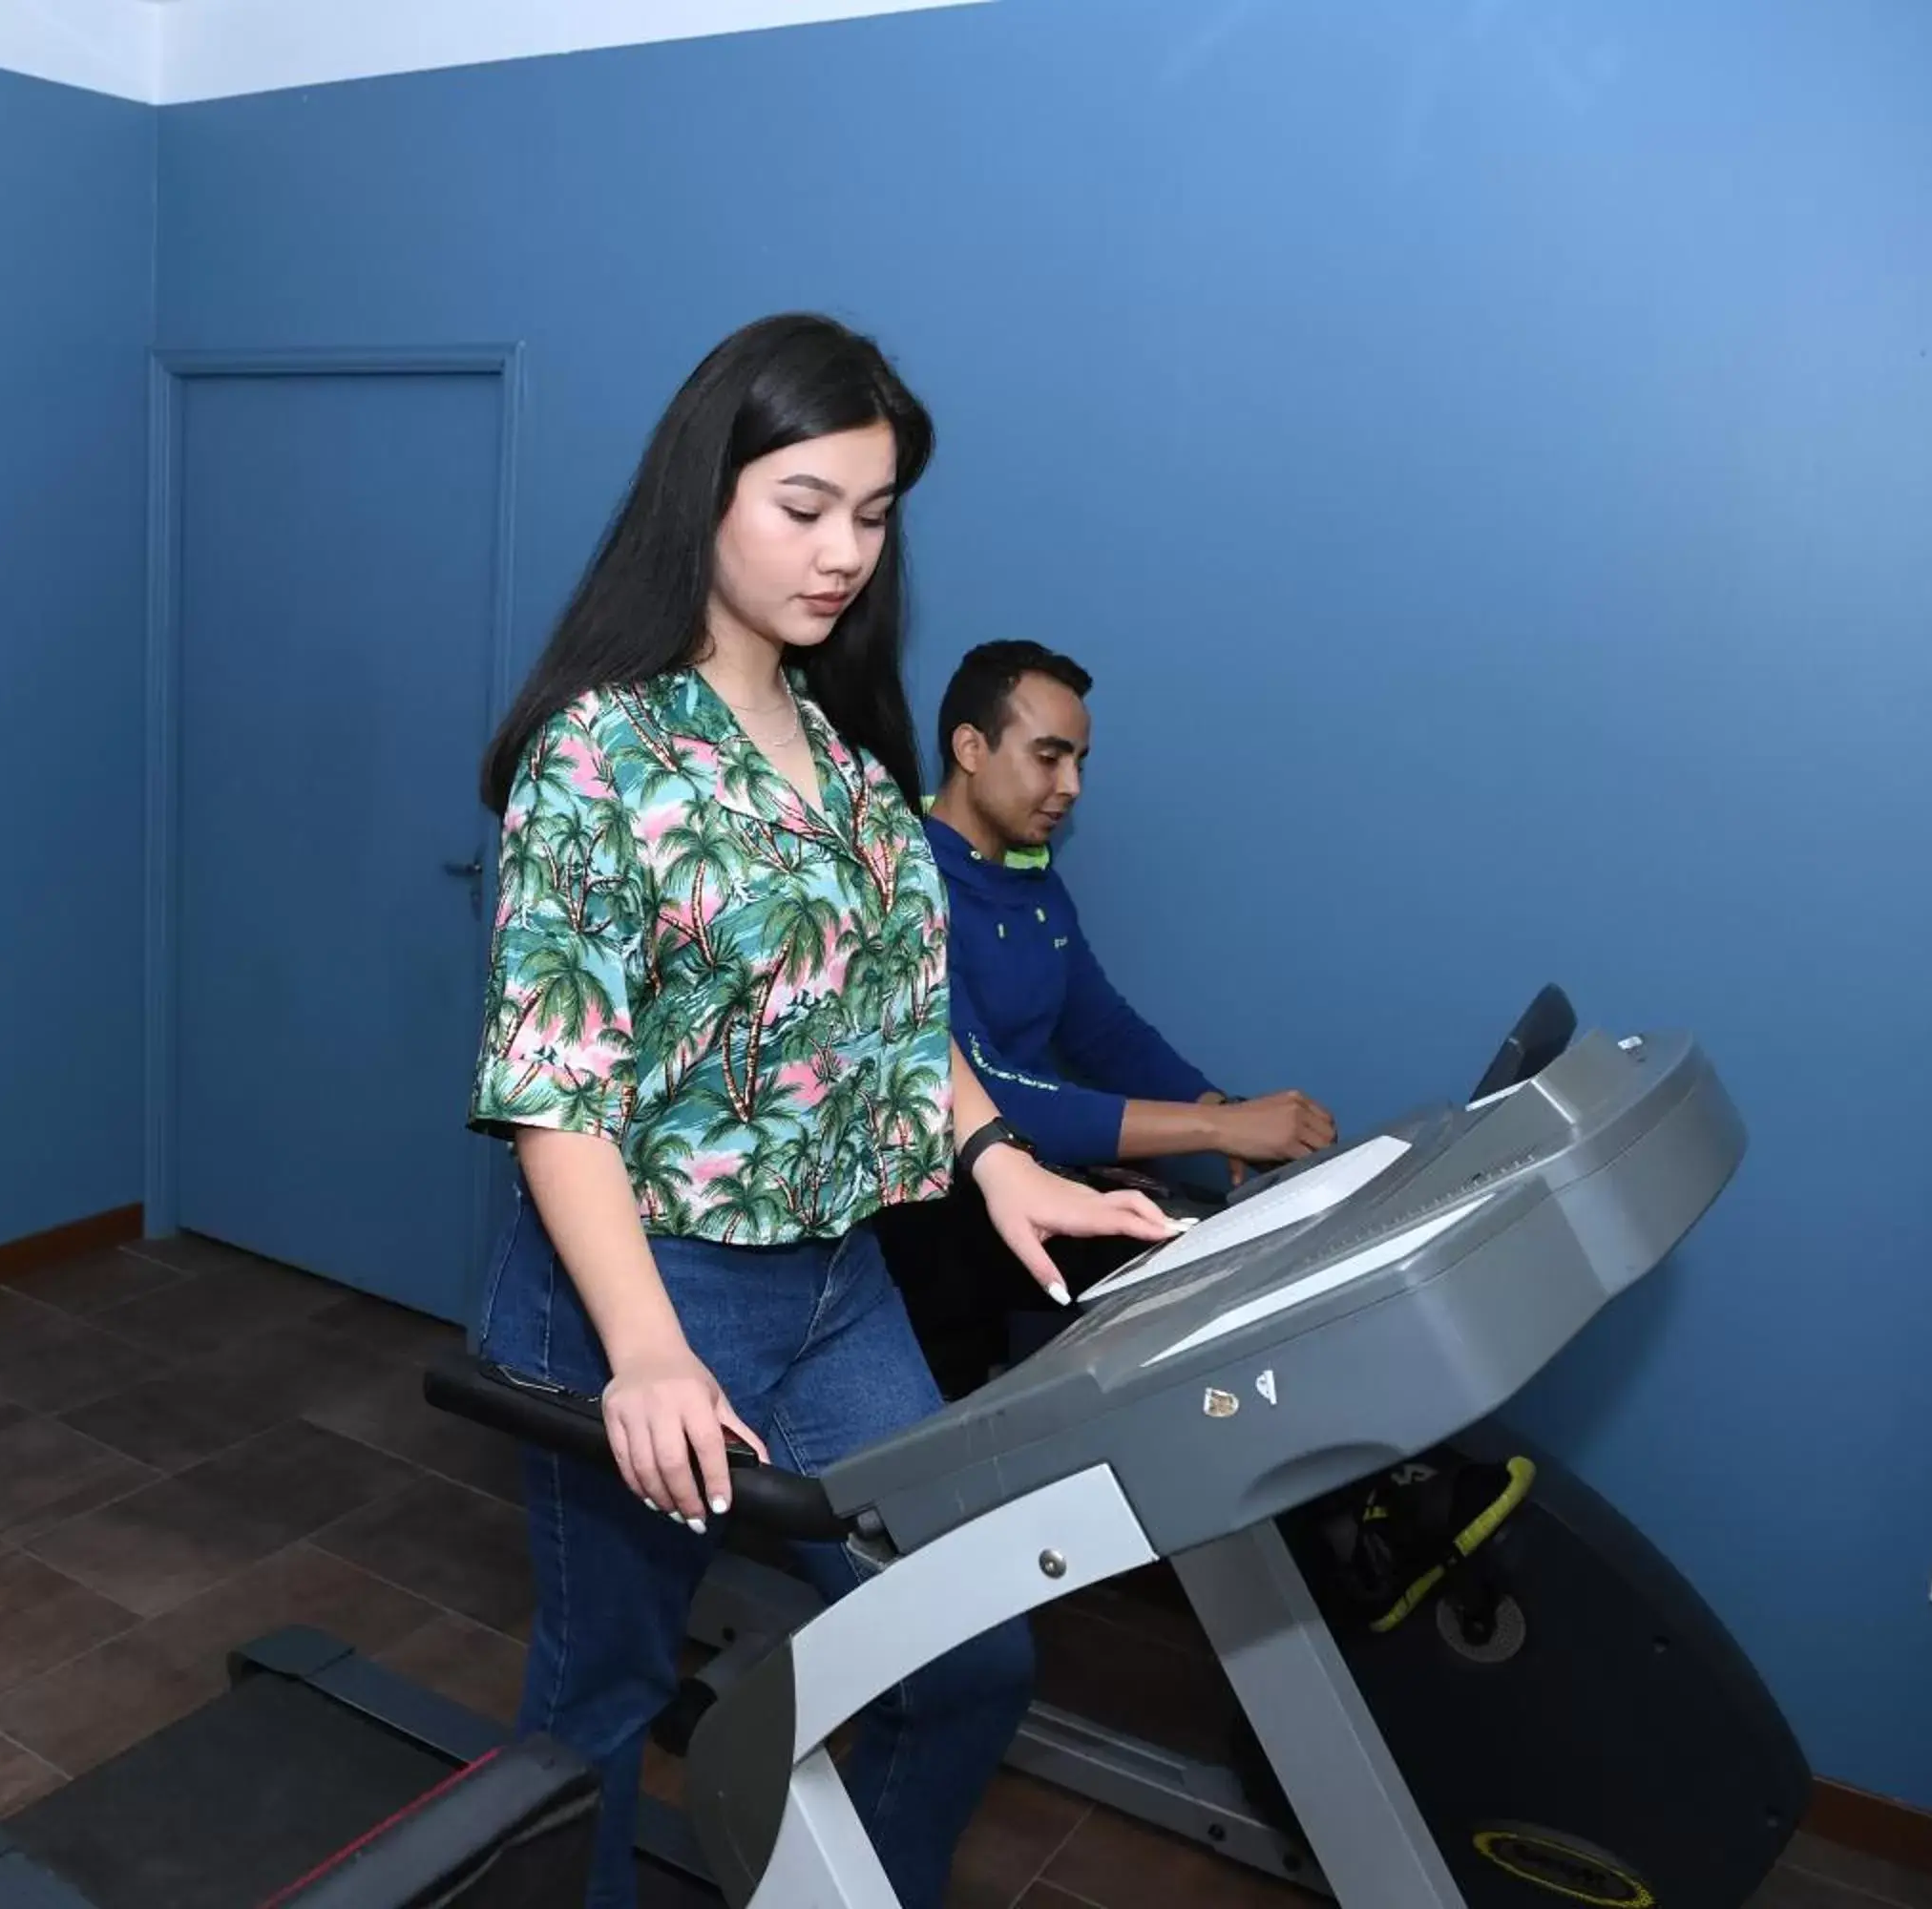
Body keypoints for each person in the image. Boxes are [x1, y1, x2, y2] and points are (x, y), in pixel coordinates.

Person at [465, 316, 1177, 1909]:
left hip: (841, 1292)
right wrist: (649, 1352)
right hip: (648, 1292)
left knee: (973, 1655)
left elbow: (899, 1022)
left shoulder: (853, 768)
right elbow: (556, 1090)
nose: (846, 550)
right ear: (705, 492)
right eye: (807, 506)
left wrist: (1001, 1164)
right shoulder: (605, 750)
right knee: (602, 1697)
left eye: (874, 513)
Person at [882, 638, 1337, 1394]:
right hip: (943, 1213)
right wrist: (1219, 1130)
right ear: (970, 747)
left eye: (1079, 762)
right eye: (1049, 757)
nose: (1071, 788)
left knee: (1242, 1250)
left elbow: (1102, 1031)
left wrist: (1217, 1107)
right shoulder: (905, 880)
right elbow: (986, 1091)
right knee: (1201, 1276)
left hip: (1037, 1183)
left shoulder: (1033, 884)